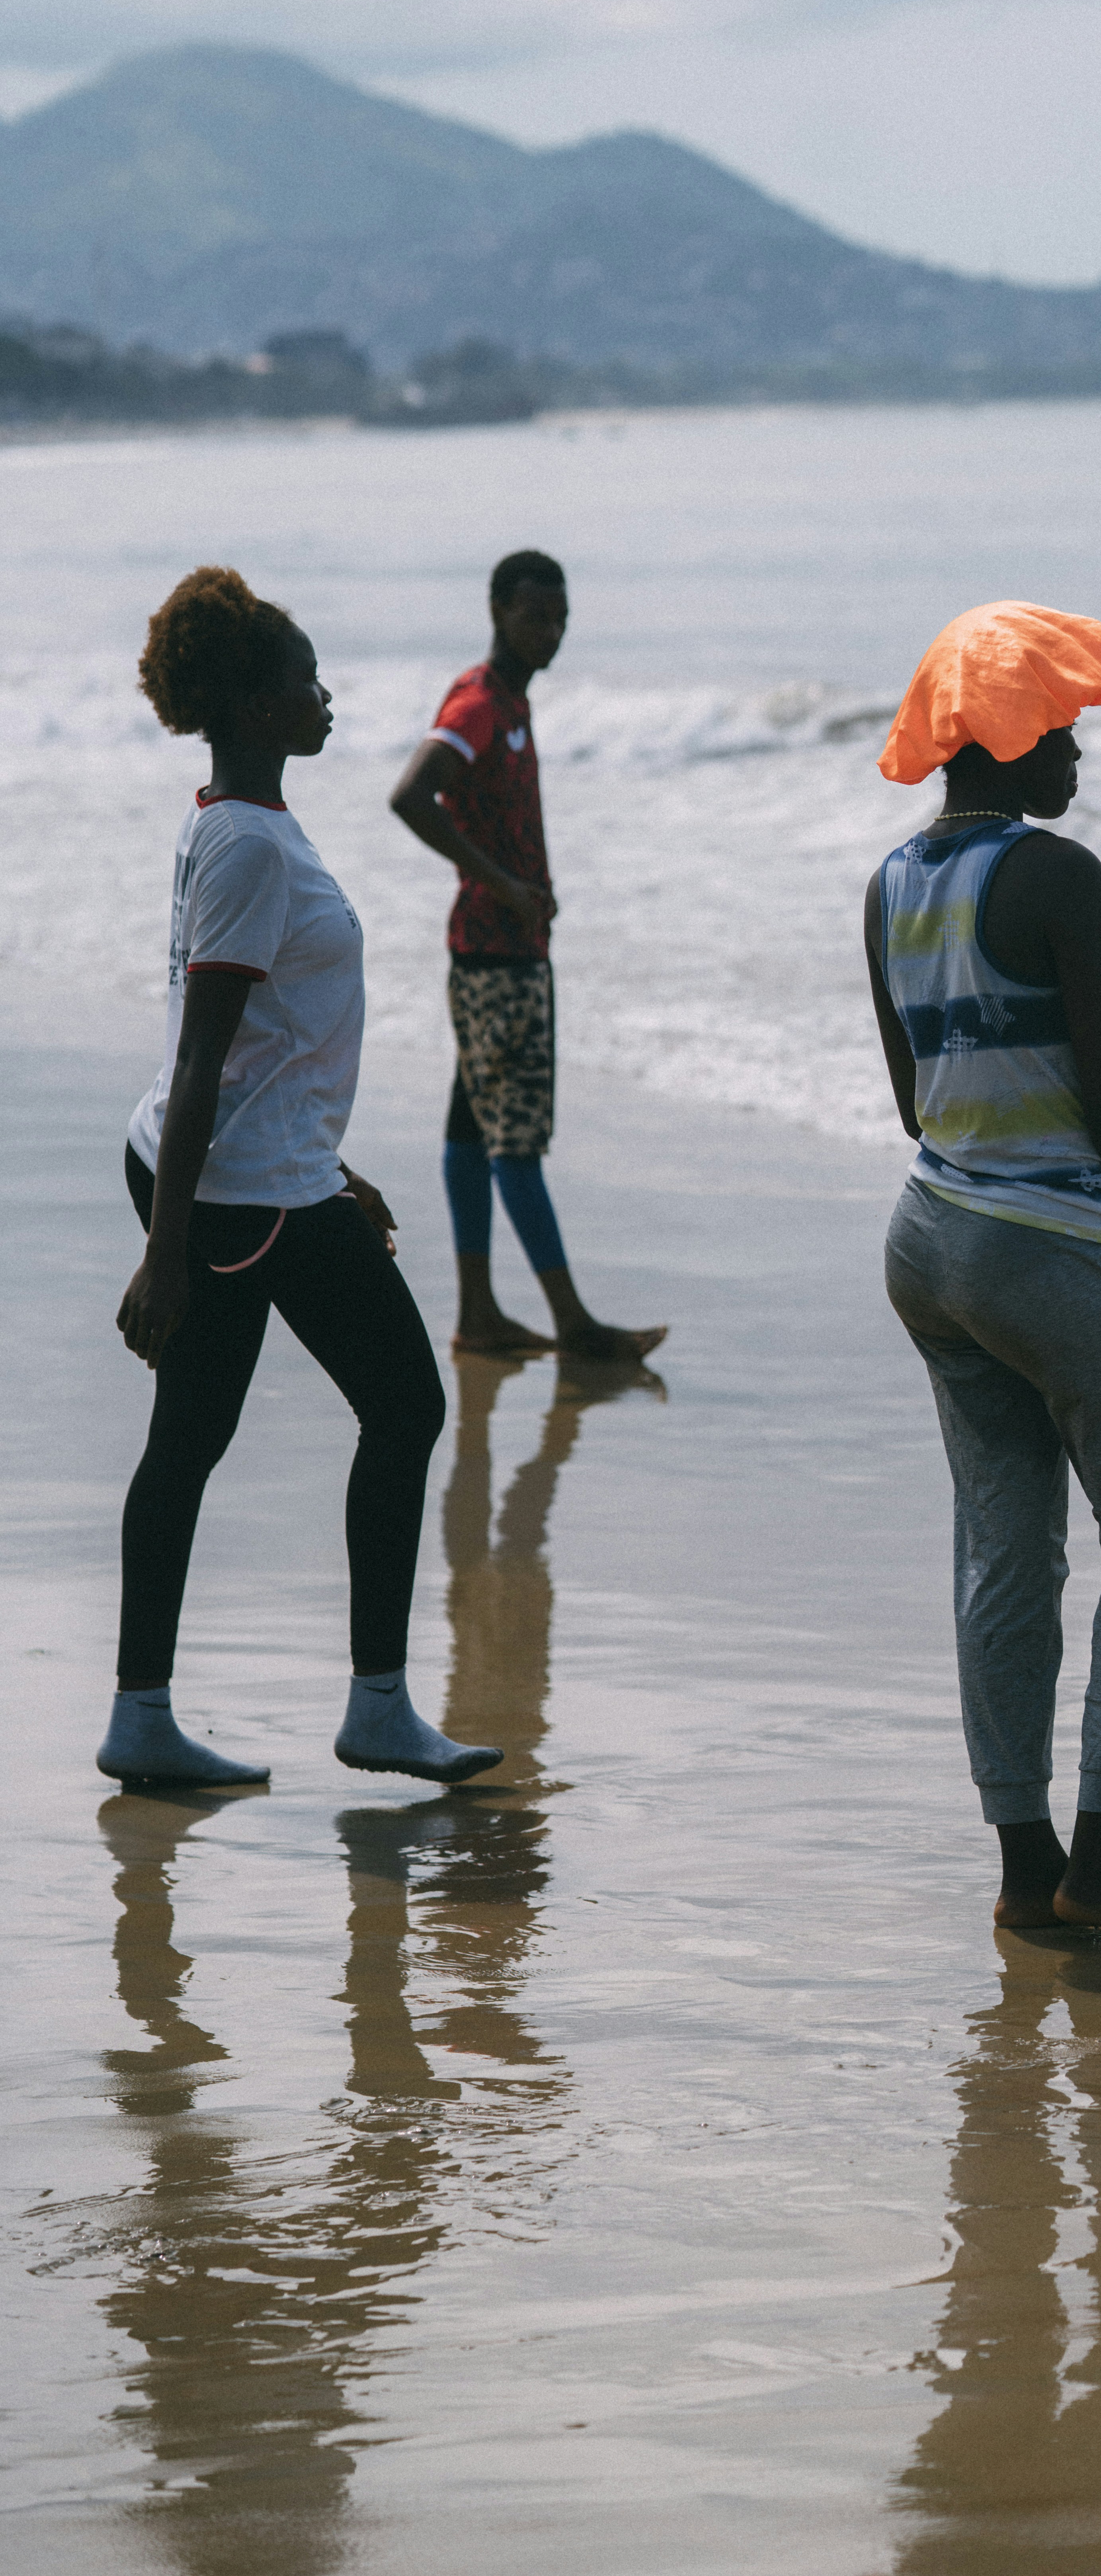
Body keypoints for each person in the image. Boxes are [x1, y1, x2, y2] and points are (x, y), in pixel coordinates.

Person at [104, 566, 501, 1793]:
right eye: (306, 678)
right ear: (257, 700)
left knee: (193, 1438)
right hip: (236, 1196)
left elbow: (265, 1049)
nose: (325, 695)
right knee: (407, 1405)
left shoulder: (239, 819)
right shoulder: (250, 848)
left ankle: (144, 1715)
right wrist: (167, 1251)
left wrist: (337, 1169)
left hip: (252, 1174)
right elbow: (204, 1055)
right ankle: (374, 1708)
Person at [865, 602, 1101, 1936]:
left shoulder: (891, 880)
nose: (1075, 751)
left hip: (929, 1238)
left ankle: (1026, 1867)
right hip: (1050, 1244)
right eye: (1058, 724)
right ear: (1003, 735)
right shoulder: (1059, 877)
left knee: (1004, 1555)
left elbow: (914, 1095)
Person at [389, 550, 666, 1364]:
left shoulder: (509, 702)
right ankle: (572, 1321)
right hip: (496, 952)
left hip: (494, 947)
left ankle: (479, 1313)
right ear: (499, 611)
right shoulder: (482, 703)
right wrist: (506, 885)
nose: (551, 632)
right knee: (515, 1138)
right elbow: (412, 795)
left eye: (561, 619)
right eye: (536, 615)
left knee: (472, 1126)